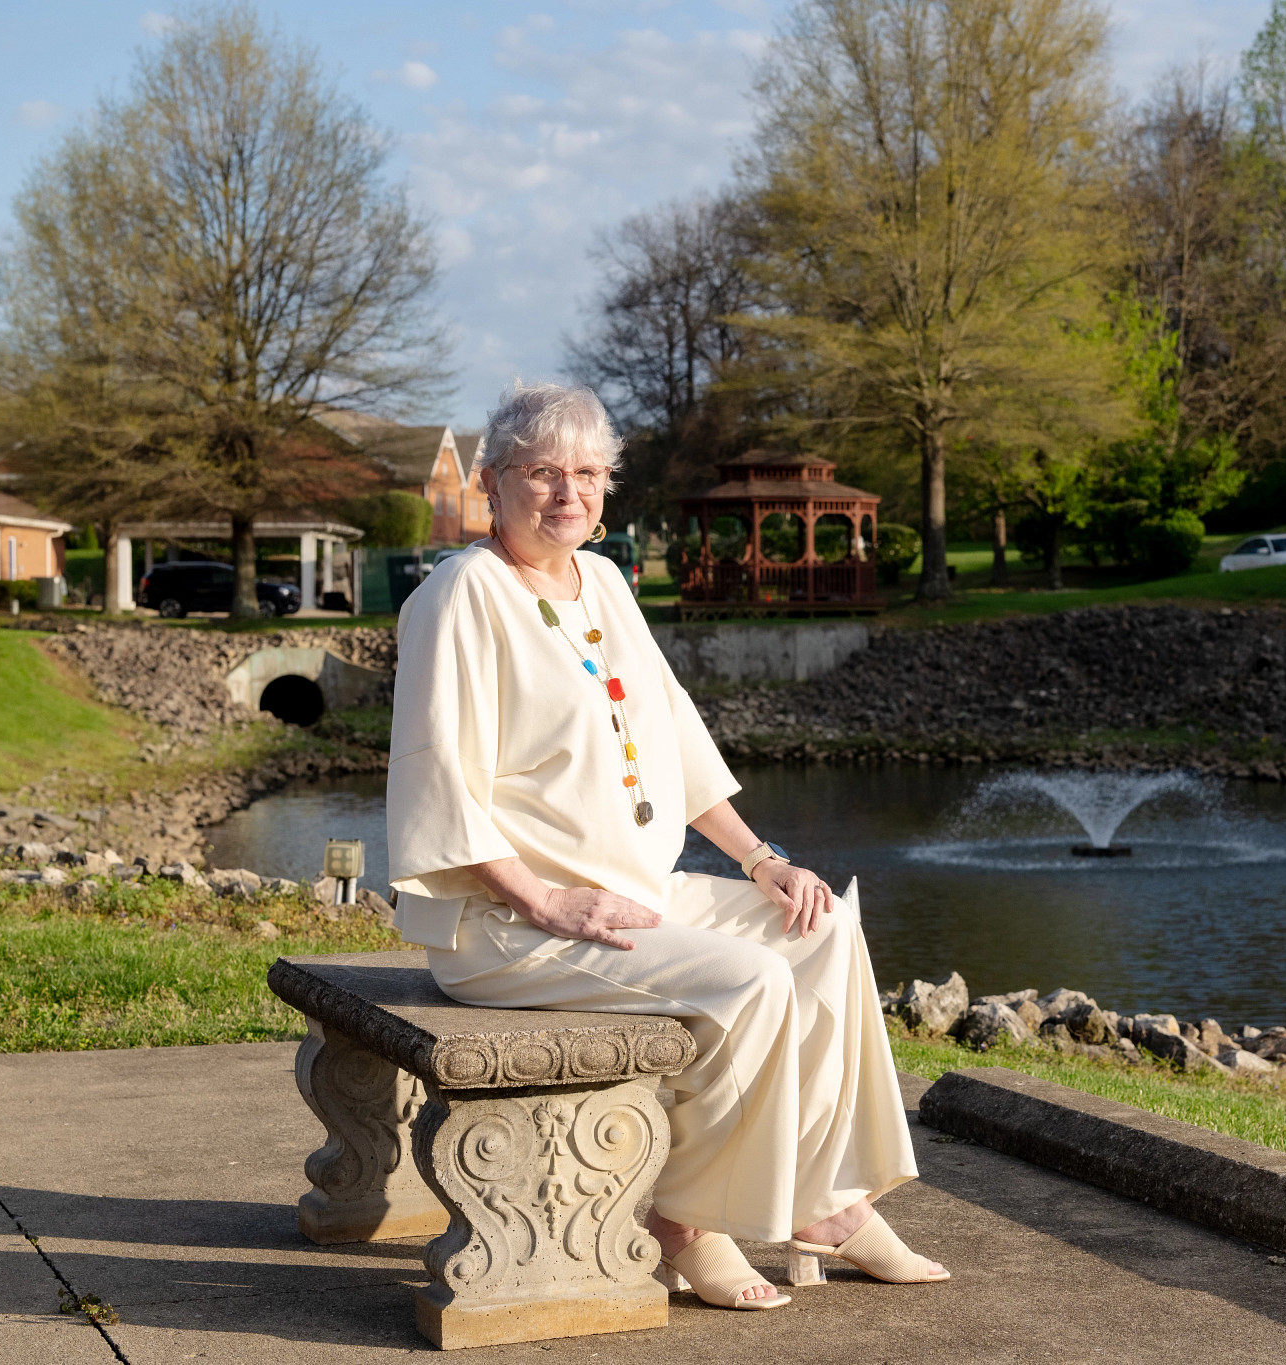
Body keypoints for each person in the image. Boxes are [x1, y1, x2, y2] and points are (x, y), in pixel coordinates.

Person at [385, 382, 946, 1310]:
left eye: (591, 473)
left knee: (820, 927)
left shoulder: (601, 581)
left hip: (629, 892)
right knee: (750, 983)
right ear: (492, 482)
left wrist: (762, 859)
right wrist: (543, 898)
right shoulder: (459, 597)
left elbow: (672, 735)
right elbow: (438, 777)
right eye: (544, 472)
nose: (571, 493)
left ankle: (828, 1202)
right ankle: (685, 1219)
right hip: (511, 924)